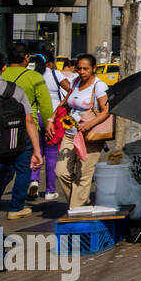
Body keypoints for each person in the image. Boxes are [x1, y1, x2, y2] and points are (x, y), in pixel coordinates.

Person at [0, 50, 43, 270]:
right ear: (4, 67)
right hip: (10, 158)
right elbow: (29, 121)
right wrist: (36, 150)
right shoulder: (17, 90)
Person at [0, 44, 53, 220]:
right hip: (27, 129)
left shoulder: (1, 75)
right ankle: (16, 207)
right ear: (26, 58)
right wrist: (49, 126)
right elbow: (45, 106)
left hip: (0, 130)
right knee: (23, 169)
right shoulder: (34, 77)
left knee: (2, 167)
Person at [55, 54, 111, 208]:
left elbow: (107, 110)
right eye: (79, 68)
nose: (81, 71)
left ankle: (75, 212)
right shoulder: (75, 81)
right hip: (70, 133)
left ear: (93, 69)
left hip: (89, 135)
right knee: (61, 172)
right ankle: (81, 200)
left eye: (85, 68)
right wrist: (52, 117)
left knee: (83, 175)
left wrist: (90, 124)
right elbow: (67, 100)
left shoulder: (99, 86)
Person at [39, 50, 67, 201]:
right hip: (53, 116)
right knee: (51, 153)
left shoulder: (32, 75)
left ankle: (34, 180)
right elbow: (71, 89)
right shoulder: (56, 74)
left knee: (36, 151)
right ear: (50, 63)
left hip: (34, 116)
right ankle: (50, 190)